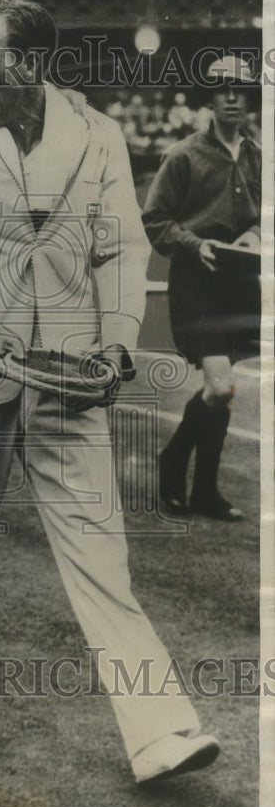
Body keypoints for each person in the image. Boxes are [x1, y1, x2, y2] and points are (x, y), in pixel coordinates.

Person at [0, 0, 220, 784]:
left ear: (33, 61)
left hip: (72, 379)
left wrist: (117, 343)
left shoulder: (98, 136)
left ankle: (158, 732)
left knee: (101, 556)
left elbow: (120, 252)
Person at [142, 55, 261, 521]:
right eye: (222, 90)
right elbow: (155, 220)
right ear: (209, 99)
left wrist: (256, 234)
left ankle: (204, 492)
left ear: (249, 100)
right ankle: (174, 463)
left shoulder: (257, 157)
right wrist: (195, 244)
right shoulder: (185, 154)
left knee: (222, 392)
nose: (232, 97)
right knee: (220, 386)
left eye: (240, 90)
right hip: (198, 284)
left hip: (241, 284)